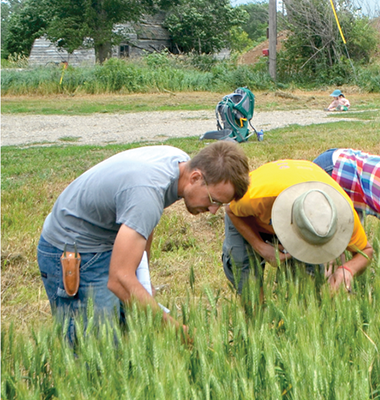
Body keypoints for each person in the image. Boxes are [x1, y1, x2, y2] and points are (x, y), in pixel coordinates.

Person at [37, 142, 249, 342]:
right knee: (98, 347)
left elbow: (144, 223)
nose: (213, 211)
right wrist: (176, 331)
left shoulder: (180, 163)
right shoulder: (147, 192)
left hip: (107, 239)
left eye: (220, 205)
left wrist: (142, 280)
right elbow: (118, 279)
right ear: (195, 177)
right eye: (213, 201)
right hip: (74, 249)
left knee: (128, 330)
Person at [222, 159, 374, 295]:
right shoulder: (255, 197)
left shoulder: (345, 217)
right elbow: (231, 210)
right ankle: (255, 321)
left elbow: (366, 251)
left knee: (306, 287)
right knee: (247, 280)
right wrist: (261, 247)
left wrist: (347, 270)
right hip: (250, 218)